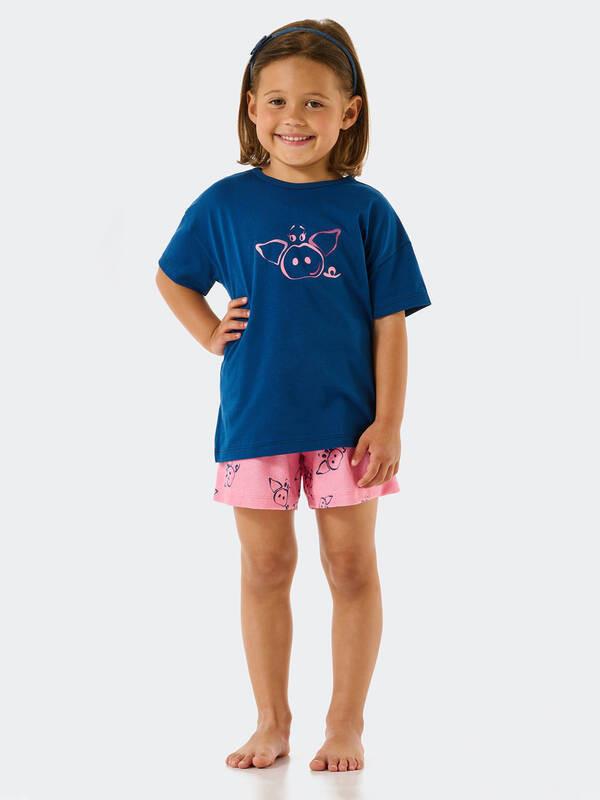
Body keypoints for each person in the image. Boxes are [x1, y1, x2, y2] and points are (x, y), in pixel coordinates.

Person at [155, 19, 432, 773]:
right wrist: (209, 331)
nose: (293, 118)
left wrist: (389, 422)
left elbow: (390, 326)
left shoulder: (367, 211)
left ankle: (345, 725)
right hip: (257, 420)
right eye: (276, 100)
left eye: (314, 102)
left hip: (348, 426)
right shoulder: (225, 204)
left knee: (351, 566)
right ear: (252, 108)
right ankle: (271, 721)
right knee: (266, 567)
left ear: (349, 112)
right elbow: (173, 276)